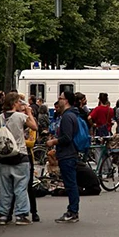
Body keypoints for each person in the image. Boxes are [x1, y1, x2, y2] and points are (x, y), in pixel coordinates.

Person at [0, 92, 38, 226]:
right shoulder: (20, 116)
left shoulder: (0, 118)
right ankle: (21, 215)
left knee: (5, 188)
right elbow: (34, 127)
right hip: (20, 155)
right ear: (14, 103)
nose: (21, 104)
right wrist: (29, 113)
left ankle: (3, 214)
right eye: (19, 102)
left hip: (4, 156)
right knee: (20, 187)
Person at [47, 90, 81, 223]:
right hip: (70, 153)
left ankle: (73, 211)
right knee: (71, 183)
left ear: (66, 100)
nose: (58, 100)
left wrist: (54, 141)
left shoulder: (67, 117)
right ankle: (73, 210)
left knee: (70, 184)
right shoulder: (73, 115)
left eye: (60, 98)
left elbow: (67, 137)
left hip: (67, 154)